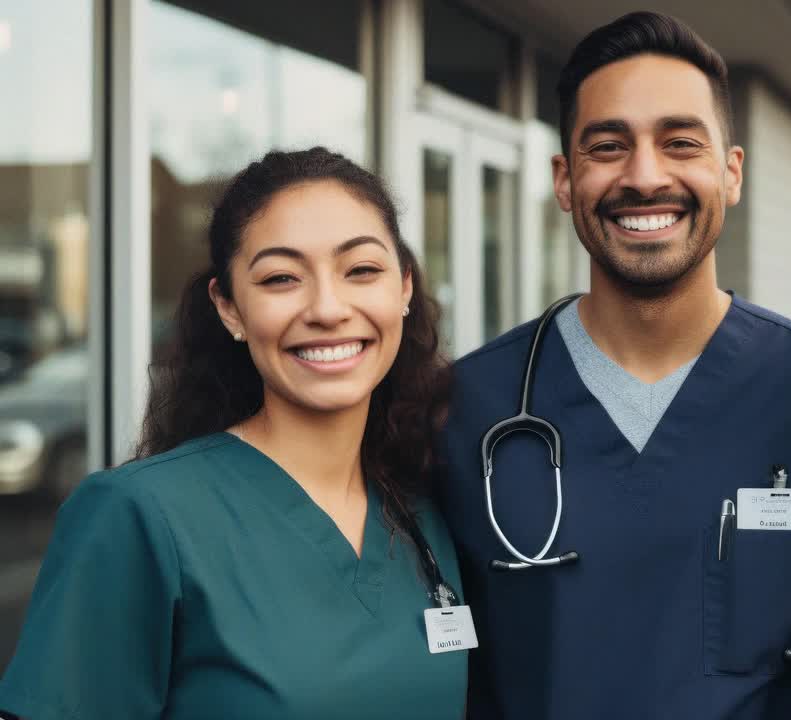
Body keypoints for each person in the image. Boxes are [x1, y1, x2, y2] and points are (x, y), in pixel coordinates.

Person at [438, 11, 791, 720]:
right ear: (565, 180)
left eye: (680, 142)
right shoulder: (462, 410)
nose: (645, 175)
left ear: (732, 171)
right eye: (608, 145)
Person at [0, 148, 467, 719]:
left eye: (362, 270)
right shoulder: (139, 516)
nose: (327, 307)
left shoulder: (423, 512)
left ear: (403, 289)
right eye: (281, 278)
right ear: (229, 309)